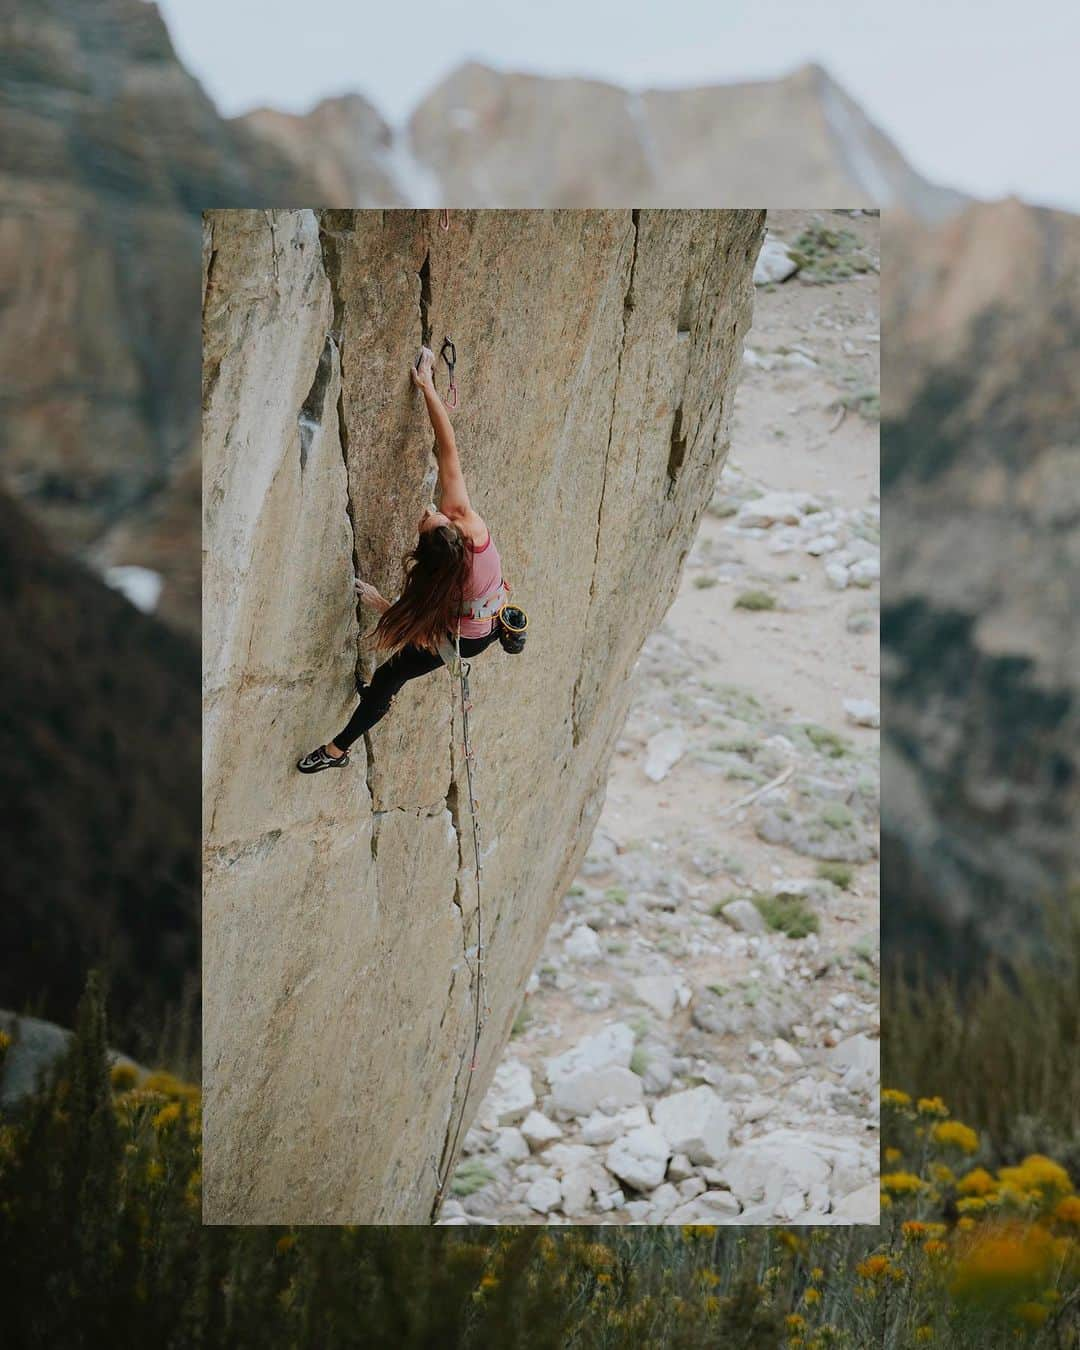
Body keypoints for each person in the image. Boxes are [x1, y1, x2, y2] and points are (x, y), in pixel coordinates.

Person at [297, 346, 508, 774]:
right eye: (433, 516)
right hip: (487, 615)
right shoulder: (465, 520)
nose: (428, 511)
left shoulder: (447, 585)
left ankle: (336, 751)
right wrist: (427, 385)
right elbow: (447, 448)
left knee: (388, 679)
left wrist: (377, 601)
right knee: (386, 675)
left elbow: (418, 625)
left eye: (425, 520)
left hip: (462, 637)